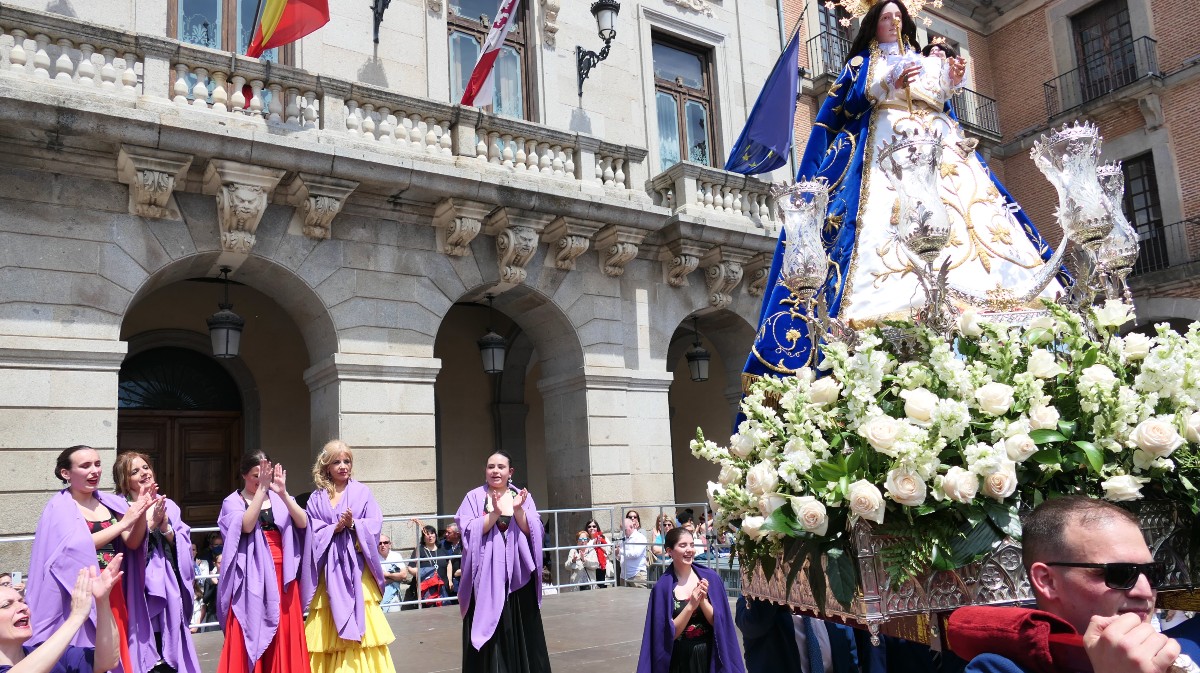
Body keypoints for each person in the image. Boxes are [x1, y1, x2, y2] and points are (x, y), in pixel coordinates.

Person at [743, 0, 1065, 380]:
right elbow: (845, 103)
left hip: (940, 149)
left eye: (898, 16)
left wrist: (952, 79)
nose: (893, 22)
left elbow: (942, 103)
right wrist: (887, 83)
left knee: (975, 218)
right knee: (884, 225)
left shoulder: (925, 58)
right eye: (885, 17)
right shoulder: (865, 64)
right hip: (886, 149)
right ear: (872, 24)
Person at [946, 496, 1183, 673]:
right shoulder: (998, 668)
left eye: (1152, 573)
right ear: (1048, 581)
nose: (1144, 592)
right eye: (1119, 574)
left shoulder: (1181, 649)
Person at [26, 445, 158, 673]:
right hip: (77, 592)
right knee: (85, 654)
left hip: (112, 590)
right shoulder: (59, 507)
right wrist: (126, 522)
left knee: (113, 652)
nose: (94, 471)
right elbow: (71, 548)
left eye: (97, 464)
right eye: (85, 466)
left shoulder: (109, 502)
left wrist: (141, 516)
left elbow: (132, 543)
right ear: (66, 473)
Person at [300, 440, 395, 672]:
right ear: (326, 467)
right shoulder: (316, 498)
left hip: (356, 572)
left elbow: (374, 524)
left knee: (362, 626)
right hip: (328, 573)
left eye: (347, 461)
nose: (343, 466)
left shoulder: (363, 492)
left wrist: (354, 525)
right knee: (325, 633)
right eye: (337, 462)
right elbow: (311, 530)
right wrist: (334, 528)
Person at [456, 450, 552, 672]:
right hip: (485, 577)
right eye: (491, 467)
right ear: (485, 470)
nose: (495, 471)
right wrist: (494, 514)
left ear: (511, 471)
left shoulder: (521, 496)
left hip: (518, 578)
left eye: (500, 467)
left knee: (520, 629)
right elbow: (468, 531)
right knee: (492, 637)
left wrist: (517, 510)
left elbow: (535, 531)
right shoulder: (474, 497)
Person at [215, 451, 310, 673]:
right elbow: (246, 525)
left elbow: (303, 522)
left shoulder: (277, 497)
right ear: (243, 475)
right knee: (251, 626)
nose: (261, 479)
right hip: (251, 574)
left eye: (264, 474)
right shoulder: (232, 501)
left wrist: (284, 494)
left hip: (282, 575)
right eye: (256, 475)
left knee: (283, 630)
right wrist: (261, 492)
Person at [112, 452, 201, 673]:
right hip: (136, 584)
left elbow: (182, 543)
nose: (144, 473)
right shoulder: (119, 507)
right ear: (125, 480)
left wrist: (166, 527)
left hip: (168, 583)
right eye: (135, 471)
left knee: (168, 639)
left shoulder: (168, 503)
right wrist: (150, 523)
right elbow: (126, 545)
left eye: (145, 467)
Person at [637, 527, 744, 673]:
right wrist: (690, 606)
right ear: (669, 551)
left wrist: (702, 601)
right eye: (683, 545)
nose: (689, 550)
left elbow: (719, 622)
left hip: (709, 655)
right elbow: (667, 634)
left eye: (692, 545)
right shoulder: (662, 588)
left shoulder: (710, 577)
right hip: (680, 660)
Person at [0, 564, 121, 673]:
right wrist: (76, 617)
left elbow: (107, 661)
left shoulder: (51, 654)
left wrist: (102, 601)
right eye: (6, 605)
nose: (23, 607)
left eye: (22, 601)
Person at [407, 524, 449, 607]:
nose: (430, 536)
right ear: (423, 537)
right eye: (427, 534)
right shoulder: (419, 550)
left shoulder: (441, 548)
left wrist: (450, 580)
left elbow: (449, 563)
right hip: (426, 589)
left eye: (432, 533)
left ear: (435, 535)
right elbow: (410, 568)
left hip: (442, 587)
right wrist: (424, 571)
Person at [377, 535, 407, 613]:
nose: (382, 545)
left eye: (385, 542)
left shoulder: (396, 556)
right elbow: (377, 579)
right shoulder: (374, 558)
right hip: (378, 594)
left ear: (390, 544)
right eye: (380, 543)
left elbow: (404, 575)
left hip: (393, 594)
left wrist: (386, 575)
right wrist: (395, 577)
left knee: (395, 616)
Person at [621, 511, 649, 588]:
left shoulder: (640, 537)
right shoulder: (623, 538)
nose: (623, 531)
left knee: (640, 599)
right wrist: (617, 553)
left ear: (631, 526)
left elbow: (635, 554)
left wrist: (620, 551)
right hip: (624, 575)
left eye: (625, 529)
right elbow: (621, 556)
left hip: (637, 575)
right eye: (630, 517)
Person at [586, 519, 612, 588]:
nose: (592, 528)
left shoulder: (603, 538)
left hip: (603, 568)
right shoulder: (585, 540)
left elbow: (609, 550)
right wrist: (594, 546)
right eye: (589, 526)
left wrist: (599, 546)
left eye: (594, 526)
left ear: (597, 527)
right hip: (592, 568)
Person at [441, 523, 463, 599]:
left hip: (461, 581)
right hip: (446, 581)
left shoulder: (465, 544)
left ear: (457, 534)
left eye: (449, 533)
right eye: (446, 532)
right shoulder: (442, 544)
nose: (446, 534)